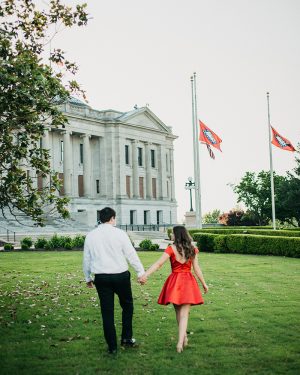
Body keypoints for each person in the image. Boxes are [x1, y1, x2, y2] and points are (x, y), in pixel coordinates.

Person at [83, 207, 145, 355]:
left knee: (107, 312)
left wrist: (87, 277)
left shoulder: (91, 236)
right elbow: (131, 254)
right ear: (112, 218)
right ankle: (126, 338)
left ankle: (112, 346)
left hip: (102, 277)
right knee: (128, 306)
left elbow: (87, 258)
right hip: (120, 276)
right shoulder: (120, 233)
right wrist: (140, 272)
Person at [139, 225, 208, 353]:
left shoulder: (171, 248)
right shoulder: (192, 249)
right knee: (183, 314)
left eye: (172, 233)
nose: (171, 235)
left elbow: (158, 264)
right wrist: (204, 283)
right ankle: (181, 341)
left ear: (177, 235)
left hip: (175, 282)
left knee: (178, 313)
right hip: (187, 281)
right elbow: (196, 268)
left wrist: (145, 275)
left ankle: (182, 340)